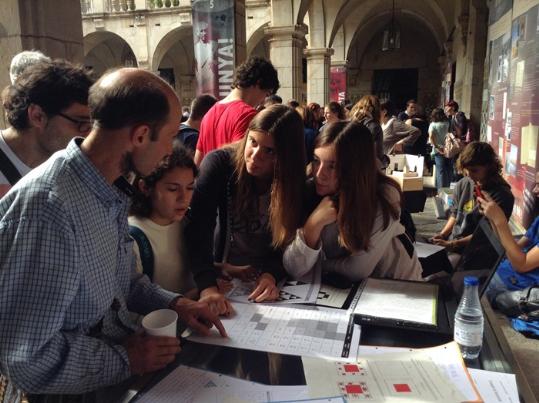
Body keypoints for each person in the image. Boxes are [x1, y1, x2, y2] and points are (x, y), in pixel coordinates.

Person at [0, 68, 225, 398]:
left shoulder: (107, 188)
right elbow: (26, 357)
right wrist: (126, 358)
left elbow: (120, 280)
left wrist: (177, 303)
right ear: (139, 136)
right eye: (169, 136)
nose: (171, 149)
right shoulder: (49, 210)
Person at [186, 104, 306, 315]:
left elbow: (287, 240)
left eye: (270, 151)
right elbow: (198, 228)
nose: (255, 155)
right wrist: (207, 286)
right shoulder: (219, 164)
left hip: (265, 278)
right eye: (253, 142)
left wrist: (271, 273)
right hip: (222, 274)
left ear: (287, 156)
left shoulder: (293, 183)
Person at [283, 121, 422, 283]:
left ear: (355, 168)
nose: (319, 174)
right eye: (316, 160)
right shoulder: (309, 189)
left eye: (332, 166)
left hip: (396, 284)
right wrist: (313, 225)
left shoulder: (383, 194)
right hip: (338, 291)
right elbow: (293, 268)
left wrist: (316, 266)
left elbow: (357, 270)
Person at [0, 59, 94, 198]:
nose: (89, 134)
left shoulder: (72, 170)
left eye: (92, 125)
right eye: (80, 123)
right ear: (37, 116)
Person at [129, 146, 198, 297]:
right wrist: (197, 293)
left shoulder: (186, 222)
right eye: (173, 189)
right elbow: (133, 309)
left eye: (190, 188)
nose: (184, 198)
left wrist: (219, 268)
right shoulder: (133, 238)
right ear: (145, 188)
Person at [194, 56, 279, 165]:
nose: (263, 100)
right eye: (267, 94)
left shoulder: (209, 113)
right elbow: (245, 163)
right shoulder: (247, 115)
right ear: (258, 83)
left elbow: (198, 162)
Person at [431, 142, 514, 254]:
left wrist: (453, 244)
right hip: (455, 244)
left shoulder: (502, 195)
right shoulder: (463, 183)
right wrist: (443, 234)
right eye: (466, 170)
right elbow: (455, 214)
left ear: (489, 167)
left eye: (474, 170)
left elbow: (487, 234)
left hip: (479, 253)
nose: (469, 175)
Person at [479, 172, 539, 300]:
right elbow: (511, 249)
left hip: (516, 290)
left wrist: (500, 221)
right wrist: (492, 218)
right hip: (503, 275)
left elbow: (522, 264)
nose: (535, 190)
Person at [349, 95, 384, 162]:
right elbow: (378, 154)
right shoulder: (374, 126)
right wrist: (386, 160)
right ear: (373, 109)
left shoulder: (350, 124)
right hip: (367, 167)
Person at [428, 107, 452, 189]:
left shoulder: (433, 125)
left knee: (440, 171)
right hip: (448, 149)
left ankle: (440, 190)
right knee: (448, 170)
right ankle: (448, 188)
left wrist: (437, 147)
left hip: (438, 150)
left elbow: (431, 136)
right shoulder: (447, 123)